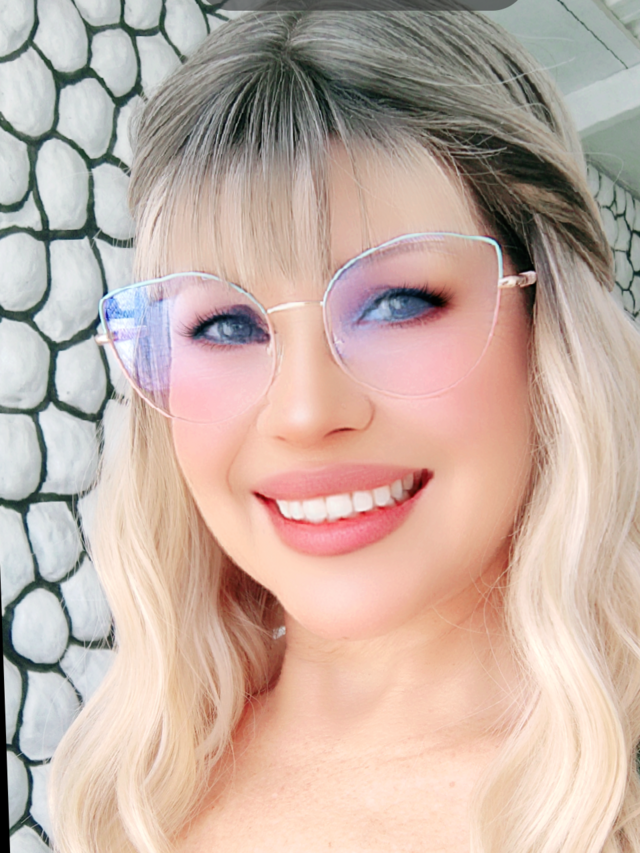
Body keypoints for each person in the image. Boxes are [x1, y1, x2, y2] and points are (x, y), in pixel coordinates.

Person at [48, 8, 640, 853]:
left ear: (549, 327)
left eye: (396, 304)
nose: (304, 410)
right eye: (224, 325)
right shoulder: (135, 790)